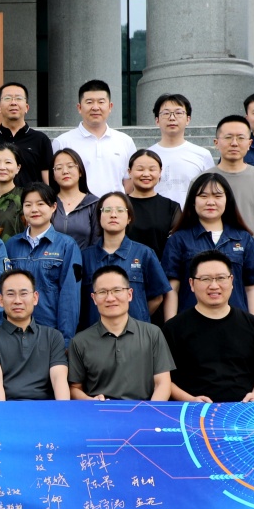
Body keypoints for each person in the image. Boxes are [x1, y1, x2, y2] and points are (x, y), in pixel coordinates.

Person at [163, 251, 254, 403]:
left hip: (244, 409)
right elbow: (164, 378)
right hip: (193, 410)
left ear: (231, 281)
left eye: (221, 278)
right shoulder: (173, 329)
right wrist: (190, 400)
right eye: (205, 279)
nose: (214, 286)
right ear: (192, 284)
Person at [162, 173, 254, 320]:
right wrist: (171, 326)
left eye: (217, 196)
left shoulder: (244, 239)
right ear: (193, 201)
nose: (210, 202)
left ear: (227, 200)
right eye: (203, 196)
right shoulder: (178, 239)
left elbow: (251, 288)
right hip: (191, 324)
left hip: (237, 323)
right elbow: (172, 288)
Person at [68, 265, 175, 401]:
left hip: (144, 410)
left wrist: (150, 410)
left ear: (129, 294)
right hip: (100, 411)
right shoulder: (80, 341)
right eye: (102, 292)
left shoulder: (153, 334)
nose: (110, 298)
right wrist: (91, 402)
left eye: (117, 290)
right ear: (94, 298)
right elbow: (75, 388)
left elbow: (163, 383)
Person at [0, 269, 70, 401]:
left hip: (45, 408)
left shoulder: (53, 336)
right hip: (7, 407)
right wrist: (2, 412)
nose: (17, 301)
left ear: (35, 298)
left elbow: (59, 379)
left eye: (24, 293)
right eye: (10, 294)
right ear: (1, 300)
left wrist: (63, 411)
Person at [2, 183, 81, 344]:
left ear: (53, 207)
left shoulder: (67, 245)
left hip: (50, 333)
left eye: (40, 204)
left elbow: (70, 296)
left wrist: (65, 340)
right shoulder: (11, 245)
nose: (34, 209)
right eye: (28, 205)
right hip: (14, 333)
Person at [81, 192, 169, 328]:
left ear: (129, 218)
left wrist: (138, 318)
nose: (113, 215)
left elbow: (157, 297)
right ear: (99, 217)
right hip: (94, 334)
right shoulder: (85, 257)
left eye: (120, 210)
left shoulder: (144, 254)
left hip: (135, 334)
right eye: (107, 210)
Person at [51, 79, 136, 196]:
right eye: (89, 102)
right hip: (78, 206)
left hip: (114, 206)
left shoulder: (125, 141)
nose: (95, 107)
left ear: (110, 106)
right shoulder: (62, 142)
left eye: (101, 102)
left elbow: (130, 180)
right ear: (79, 107)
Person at [205, 115, 254, 255]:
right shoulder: (202, 181)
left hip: (253, 257)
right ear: (216, 142)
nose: (234, 143)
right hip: (211, 256)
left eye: (241, 138)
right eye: (228, 137)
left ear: (249, 143)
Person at [0, 81, 52, 191]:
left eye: (18, 98)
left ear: (27, 107)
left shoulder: (41, 140)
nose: (13, 103)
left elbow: (48, 182)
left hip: (31, 201)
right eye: (7, 98)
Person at [148, 93, 215, 204]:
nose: (172, 118)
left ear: (188, 119)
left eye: (178, 113)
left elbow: (210, 190)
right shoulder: (147, 155)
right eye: (166, 113)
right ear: (157, 120)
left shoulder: (202, 155)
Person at [125, 149, 181, 259]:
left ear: (160, 172)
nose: (146, 174)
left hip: (160, 266)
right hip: (123, 266)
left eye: (152, 169)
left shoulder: (171, 207)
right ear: (129, 172)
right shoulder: (120, 205)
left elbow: (177, 245)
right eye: (140, 169)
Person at [49, 148, 100, 249]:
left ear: (80, 171)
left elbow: (97, 242)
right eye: (59, 168)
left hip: (83, 258)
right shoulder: (47, 203)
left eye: (70, 166)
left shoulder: (94, 204)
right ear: (53, 176)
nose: (65, 171)